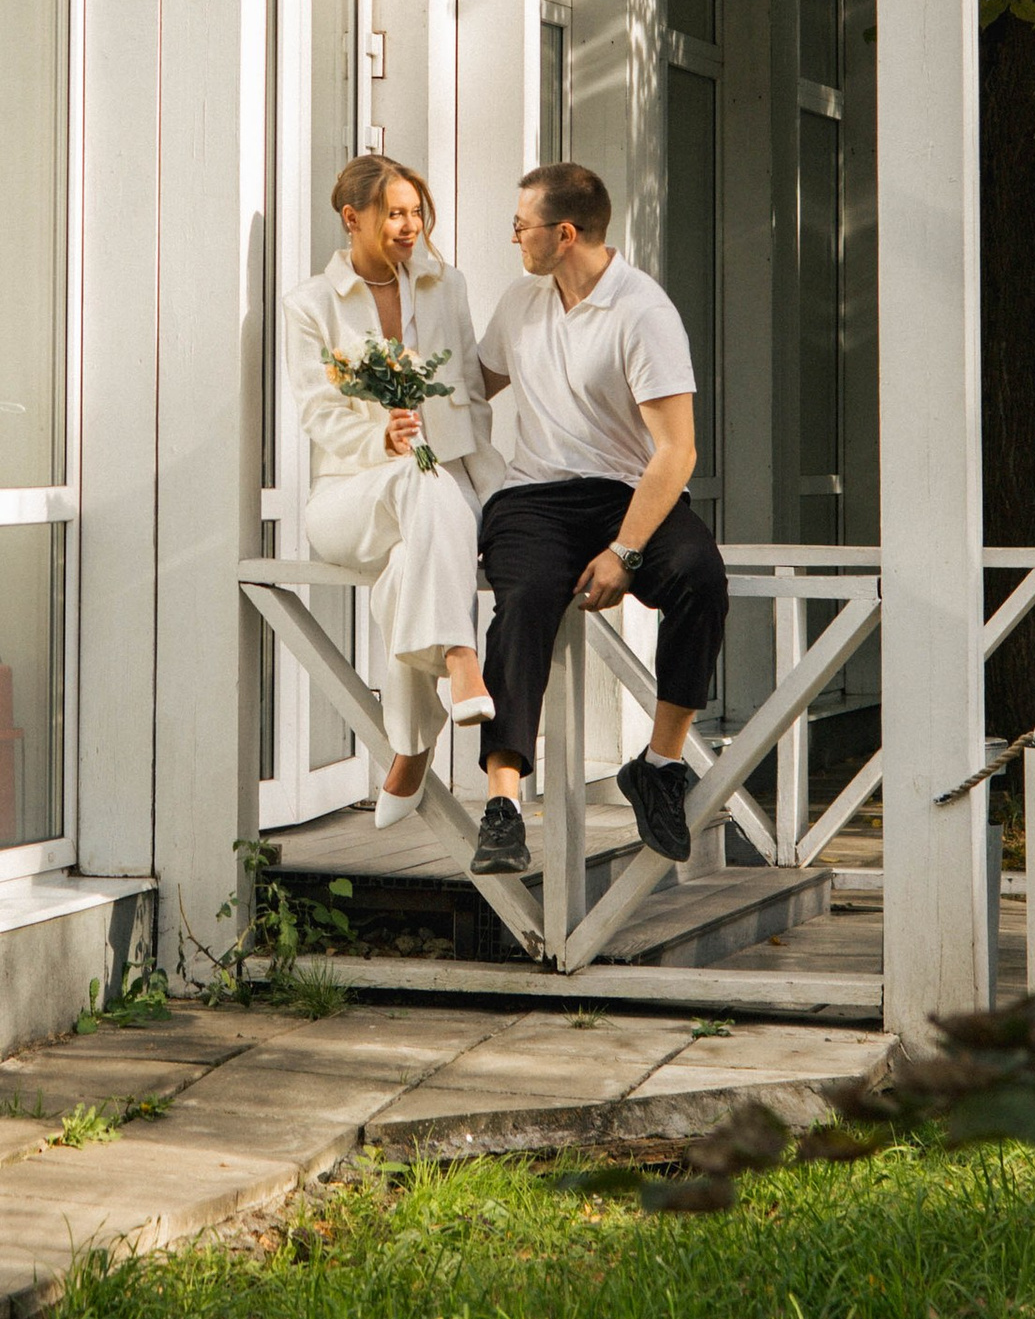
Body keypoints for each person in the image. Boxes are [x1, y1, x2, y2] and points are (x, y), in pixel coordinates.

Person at [469, 161, 728, 880]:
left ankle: (660, 764)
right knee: (522, 602)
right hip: (534, 499)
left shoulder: (643, 312)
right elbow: (466, 389)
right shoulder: (521, 303)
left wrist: (626, 551)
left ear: (566, 233)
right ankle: (503, 804)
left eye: (522, 225)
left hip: (625, 493)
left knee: (700, 576)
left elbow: (677, 451)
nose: (513, 236)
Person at [279, 156, 502, 825]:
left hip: (437, 488)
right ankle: (460, 655)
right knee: (416, 482)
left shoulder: (446, 286)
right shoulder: (309, 306)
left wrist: (493, 491)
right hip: (349, 497)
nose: (410, 227)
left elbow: (468, 397)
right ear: (352, 219)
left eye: (416, 213)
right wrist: (381, 440)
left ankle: (409, 745)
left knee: (414, 560)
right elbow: (317, 413)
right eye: (394, 213)